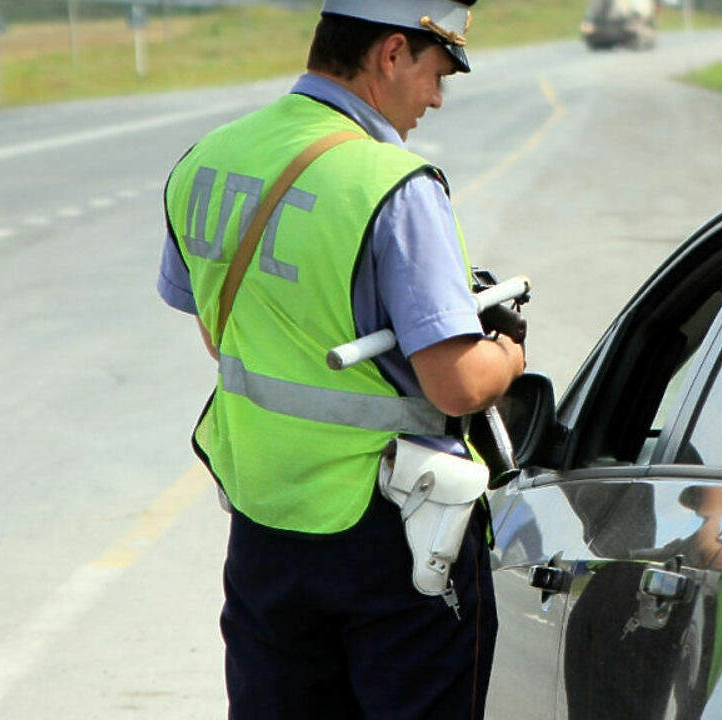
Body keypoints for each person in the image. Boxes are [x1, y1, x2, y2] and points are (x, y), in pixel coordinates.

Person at [155, 0, 524, 716]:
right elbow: (455, 383)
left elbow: (221, 332)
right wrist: (507, 352)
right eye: (437, 72)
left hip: (264, 526)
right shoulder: (393, 182)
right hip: (392, 537)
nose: (437, 99)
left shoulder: (208, 157)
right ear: (391, 54)